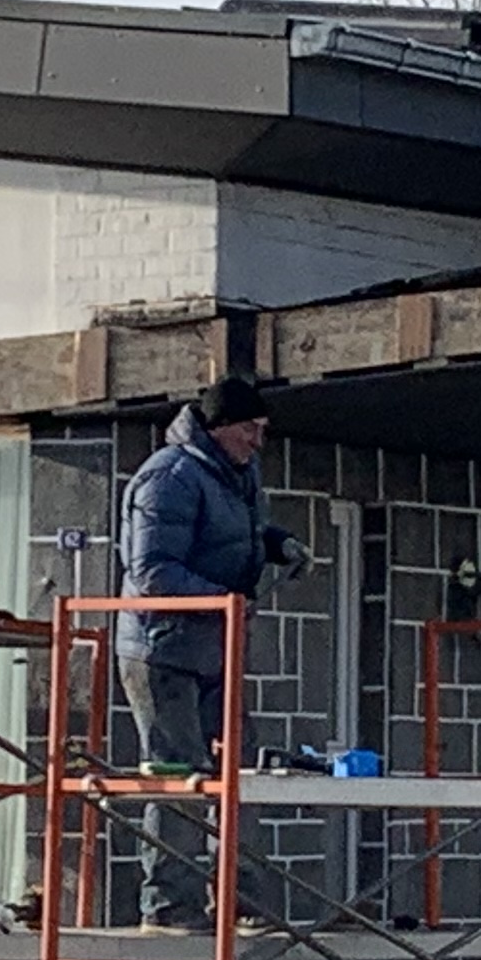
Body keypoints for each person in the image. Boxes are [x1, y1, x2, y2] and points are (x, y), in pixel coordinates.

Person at [116, 375, 304, 929]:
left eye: (262, 430)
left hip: (214, 646)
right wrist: (222, 600)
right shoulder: (168, 477)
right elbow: (151, 570)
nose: (258, 441)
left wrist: (276, 543)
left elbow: (233, 533)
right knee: (179, 777)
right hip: (163, 651)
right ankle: (168, 907)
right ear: (219, 427)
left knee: (236, 772)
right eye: (250, 429)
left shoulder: (235, 472)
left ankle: (238, 902)